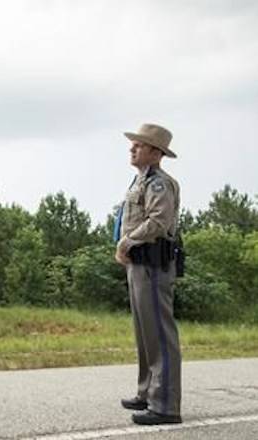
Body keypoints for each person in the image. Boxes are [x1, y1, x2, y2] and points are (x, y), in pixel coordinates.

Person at [114, 123, 182, 425]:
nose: (132, 148)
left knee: (159, 336)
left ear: (156, 153)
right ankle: (147, 393)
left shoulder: (159, 183)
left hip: (153, 266)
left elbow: (157, 222)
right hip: (139, 264)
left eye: (139, 145)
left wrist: (126, 242)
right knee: (144, 334)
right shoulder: (141, 180)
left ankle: (165, 405)